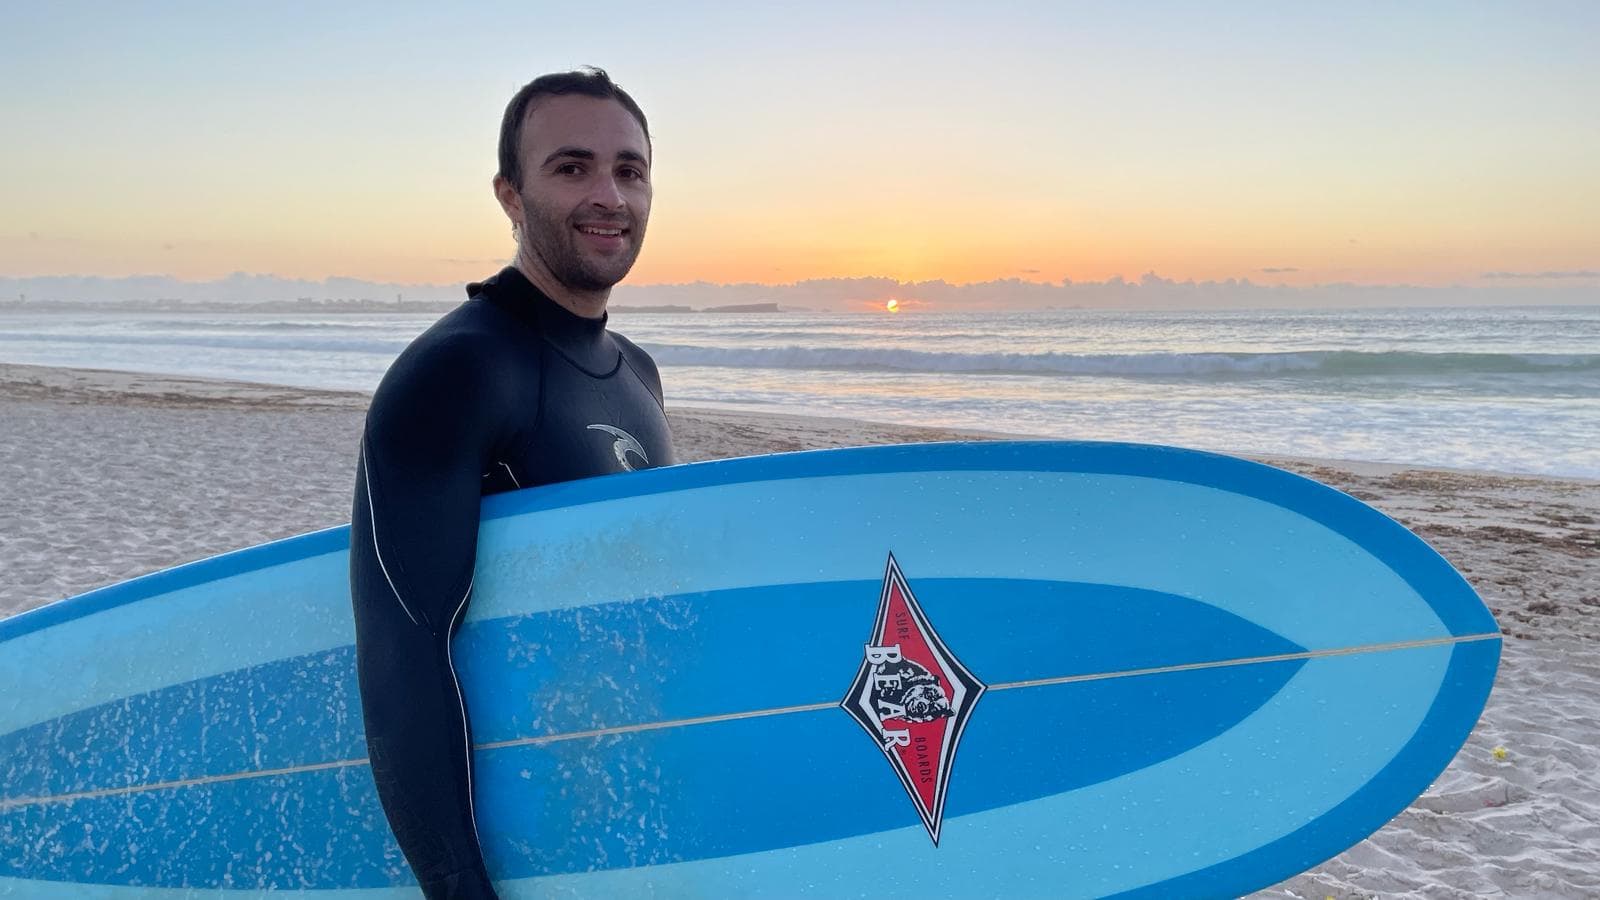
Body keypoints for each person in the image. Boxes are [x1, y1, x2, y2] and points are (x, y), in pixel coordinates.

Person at [349, 68, 676, 899]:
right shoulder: (456, 372)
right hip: (518, 848)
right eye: (571, 167)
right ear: (510, 194)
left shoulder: (637, 373)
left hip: (633, 823)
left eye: (629, 169)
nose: (609, 194)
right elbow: (403, 655)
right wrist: (461, 889)